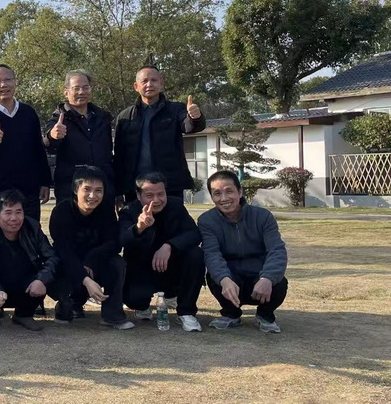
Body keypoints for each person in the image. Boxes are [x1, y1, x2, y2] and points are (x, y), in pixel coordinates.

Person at [199, 170, 289, 333]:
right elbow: (211, 254)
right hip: (232, 279)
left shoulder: (263, 216)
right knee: (214, 277)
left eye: (229, 191)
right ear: (212, 197)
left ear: (240, 192)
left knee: (279, 282)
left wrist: (267, 278)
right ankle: (231, 313)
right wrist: (224, 279)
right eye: (217, 193)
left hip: (258, 277)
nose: (224, 198)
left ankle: (265, 314)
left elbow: (277, 250)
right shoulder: (206, 220)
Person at [48, 166, 134, 330]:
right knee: (58, 265)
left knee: (117, 263)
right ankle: (68, 304)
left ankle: (112, 315)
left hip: (95, 263)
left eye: (98, 190)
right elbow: (63, 250)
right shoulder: (62, 211)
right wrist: (85, 279)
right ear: (76, 189)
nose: (93, 196)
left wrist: (91, 261)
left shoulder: (106, 210)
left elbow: (113, 243)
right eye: (87, 189)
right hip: (68, 263)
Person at [119, 172, 204, 332]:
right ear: (138, 195)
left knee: (196, 254)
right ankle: (142, 305)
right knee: (135, 299)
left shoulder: (176, 205)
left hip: (171, 266)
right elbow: (122, 240)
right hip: (142, 269)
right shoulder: (129, 210)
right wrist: (139, 228)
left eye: (161, 194)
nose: (156, 200)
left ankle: (186, 312)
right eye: (149, 195)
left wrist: (169, 246)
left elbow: (194, 234)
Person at [0, 190, 59, 332]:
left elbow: (51, 257)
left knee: (46, 274)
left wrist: (41, 280)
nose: (14, 218)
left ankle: (24, 314)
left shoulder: (33, 228)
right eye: (8, 212)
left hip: (25, 283)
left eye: (18, 212)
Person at [113, 66, 206, 201]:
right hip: (134, 187)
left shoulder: (176, 110)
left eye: (154, 80)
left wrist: (195, 117)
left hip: (170, 185)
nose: (149, 84)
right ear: (136, 86)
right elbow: (119, 156)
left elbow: (189, 126)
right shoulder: (125, 116)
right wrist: (117, 191)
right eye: (144, 81)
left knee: (172, 215)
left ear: (161, 83)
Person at [0, 64, 50, 223]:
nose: (3, 85)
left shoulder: (28, 113)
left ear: (15, 82)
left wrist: (45, 181)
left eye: (8, 80)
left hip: (29, 189)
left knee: (30, 233)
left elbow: (38, 148)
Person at [43, 70, 115, 205]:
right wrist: (52, 136)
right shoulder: (59, 119)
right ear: (66, 92)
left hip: (102, 190)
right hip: (70, 190)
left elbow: (108, 154)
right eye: (76, 88)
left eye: (86, 87)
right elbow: (47, 145)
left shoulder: (102, 118)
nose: (81, 92)